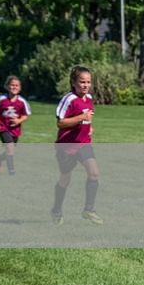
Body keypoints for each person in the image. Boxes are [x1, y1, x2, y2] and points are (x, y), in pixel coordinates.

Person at [50, 66, 102, 225]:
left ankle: (89, 210)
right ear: (74, 82)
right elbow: (60, 122)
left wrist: (89, 128)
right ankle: (56, 210)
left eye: (88, 82)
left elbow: (88, 117)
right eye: (82, 82)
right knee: (65, 180)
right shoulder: (69, 99)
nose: (86, 85)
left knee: (94, 173)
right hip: (66, 147)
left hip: (83, 144)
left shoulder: (89, 98)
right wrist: (81, 118)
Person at [0, 76, 31, 175]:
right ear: (7, 86)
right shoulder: (1, 99)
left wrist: (18, 120)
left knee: (11, 150)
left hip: (15, 129)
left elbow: (25, 115)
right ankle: (11, 171)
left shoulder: (22, 101)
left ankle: (0, 158)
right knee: (10, 147)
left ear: (20, 88)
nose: (14, 87)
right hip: (3, 127)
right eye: (12, 85)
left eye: (17, 85)